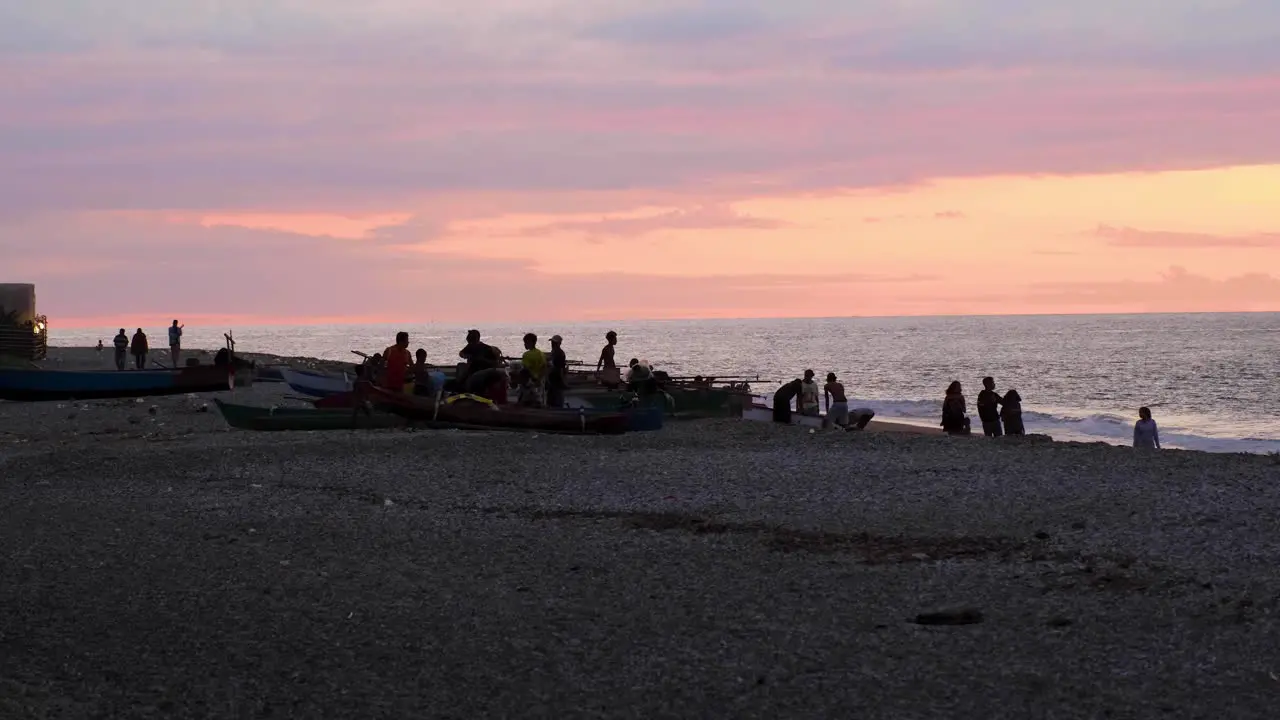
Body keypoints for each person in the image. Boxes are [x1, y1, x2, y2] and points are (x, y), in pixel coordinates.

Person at [518, 333, 548, 407]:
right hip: (539, 381)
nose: (524, 344)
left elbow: (526, 370)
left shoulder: (526, 355)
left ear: (530, 342)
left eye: (525, 342)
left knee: (526, 403)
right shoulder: (541, 354)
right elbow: (544, 368)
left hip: (530, 382)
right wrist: (539, 379)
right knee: (538, 402)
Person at [547, 335, 568, 408]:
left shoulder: (560, 353)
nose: (552, 344)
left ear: (559, 343)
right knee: (551, 400)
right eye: (552, 342)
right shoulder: (553, 352)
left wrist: (563, 381)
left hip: (557, 379)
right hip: (552, 379)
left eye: (554, 343)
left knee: (558, 399)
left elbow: (561, 368)